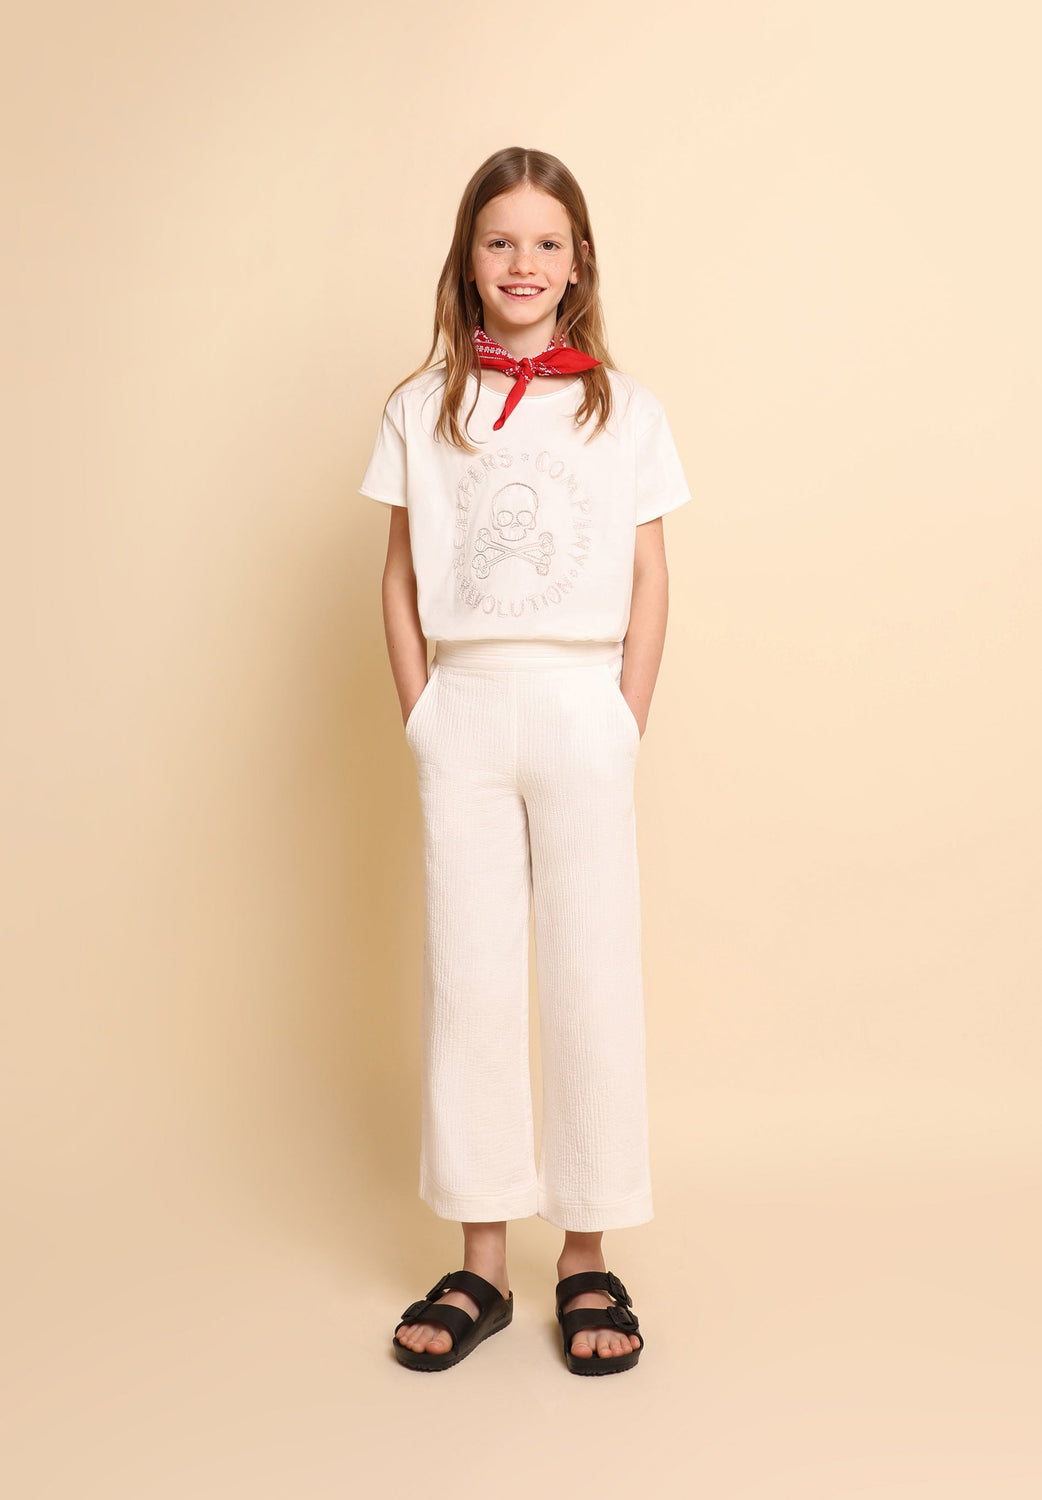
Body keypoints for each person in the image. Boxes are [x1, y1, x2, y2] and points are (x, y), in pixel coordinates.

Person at [357, 146, 692, 1376]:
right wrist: (422, 711)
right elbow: (399, 574)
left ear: (578, 262)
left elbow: (650, 574)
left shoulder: (623, 407)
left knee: (591, 972)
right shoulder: (422, 408)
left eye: (546, 243)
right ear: (467, 259)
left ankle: (586, 1252)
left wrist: (623, 715)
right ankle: (482, 1260)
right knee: (473, 979)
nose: (523, 263)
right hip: (465, 707)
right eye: (500, 241)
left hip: (579, 705)